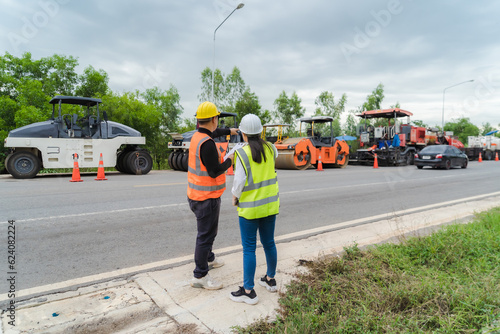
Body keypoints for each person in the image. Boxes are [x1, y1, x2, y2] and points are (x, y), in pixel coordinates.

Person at [229, 114, 280, 305]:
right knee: (269, 243)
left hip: (250, 209)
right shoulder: (271, 148)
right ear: (260, 131)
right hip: (270, 206)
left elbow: (239, 182)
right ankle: (270, 279)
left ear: (243, 133)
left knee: (249, 248)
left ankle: (248, 291)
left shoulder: (242, 153)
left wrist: (235, 198)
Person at [188, 101, 238, 290]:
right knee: (205, 235)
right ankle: (200, 275)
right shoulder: (207, 145)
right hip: (205, 198)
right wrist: (230, 159)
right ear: (214, 119)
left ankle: (209, 259)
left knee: (209, 232)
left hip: (196, 194)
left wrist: (229, 131)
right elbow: (215, 171)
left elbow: (214, 132)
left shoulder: (198, 136)